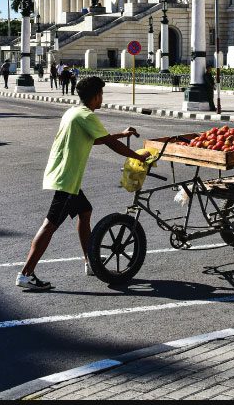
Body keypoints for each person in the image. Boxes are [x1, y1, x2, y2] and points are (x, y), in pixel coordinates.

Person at [16, 77, 143, 291]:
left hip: (63, 175)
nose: (102, 98)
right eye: (101, 94)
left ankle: (90, 262)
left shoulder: (73, 112)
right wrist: (138, 157)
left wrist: (122, 134)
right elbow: (109, 143)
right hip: (66, 179)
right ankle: (26, 274)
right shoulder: (87, 115)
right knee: (49, 225)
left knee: (85, 212)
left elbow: (95, 138)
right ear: (95, 96)